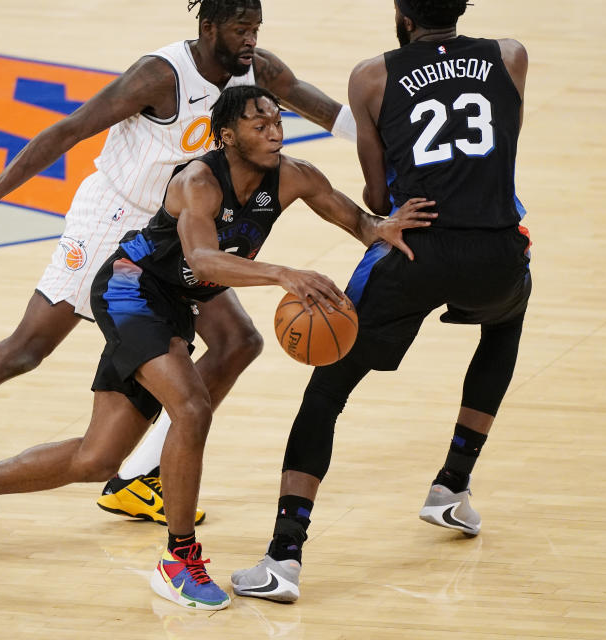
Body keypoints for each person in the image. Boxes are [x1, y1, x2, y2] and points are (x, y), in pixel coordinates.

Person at [0, 0, 363, 529]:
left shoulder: (257, 70)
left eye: (256, 29)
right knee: (26, 350)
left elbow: (322, 109)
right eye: (241, 29)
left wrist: (388, 141)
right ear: (209, 28)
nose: (251, 39)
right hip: (113, 221)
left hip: (176, 231)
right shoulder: (160, 75)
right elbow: (70, 129)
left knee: (237, 342)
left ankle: (138, 477)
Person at [0, 85, 436, 611]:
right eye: (260, 124)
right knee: (190, 407)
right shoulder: (197, 181)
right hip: (131, 290)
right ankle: (179, 560)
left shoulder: (296, 174)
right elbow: (205, 261)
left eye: (277, 121)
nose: (275, 131)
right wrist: (283, 274)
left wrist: (387, 228)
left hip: (178, 300)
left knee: (97, 458)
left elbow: (360, 223)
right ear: (227, 136)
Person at [231, 0, 532, 603]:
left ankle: (284, 557)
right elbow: (501, 149)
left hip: (413, 246)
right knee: (505, 323)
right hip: (497, 246)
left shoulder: (373, 76)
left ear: (401, 15)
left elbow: (375, 191)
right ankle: (452, 486)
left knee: (327, 389)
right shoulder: (510, 55)